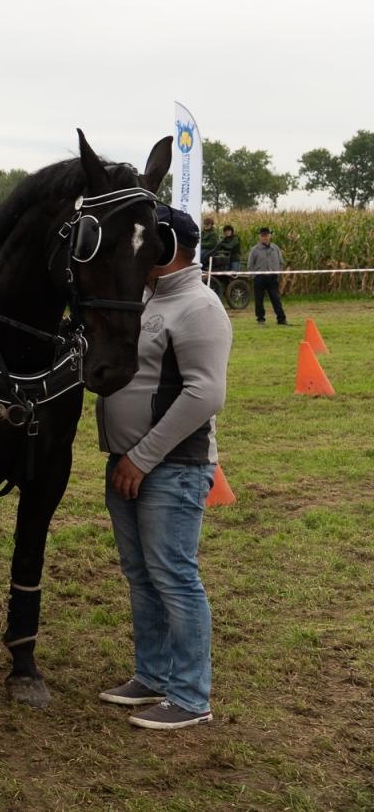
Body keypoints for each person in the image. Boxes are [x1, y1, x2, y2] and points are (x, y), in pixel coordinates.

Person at [96, 206, 231, 731]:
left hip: (170, 468)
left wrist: (142, 457)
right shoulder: (150, 300)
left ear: (166, 245)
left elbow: (205, 393)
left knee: (175, 577)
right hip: (130, 464)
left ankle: (192, 697)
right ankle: (152, 675)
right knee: (142, 577)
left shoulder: (198, 307)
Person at [247, 227, 287, 325]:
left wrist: (278, 273)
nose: (265, 238)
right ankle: (260, 319)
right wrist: (254, 277)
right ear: (260, 237)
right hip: (259, 277)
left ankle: (281, 319)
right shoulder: (255, 250)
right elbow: (250, 265)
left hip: (273, 277)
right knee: (259, 299)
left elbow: (281, 262)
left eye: (267, 235)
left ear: (270, 236)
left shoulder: (275, 248)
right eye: (263, 236)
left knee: (276, 299)